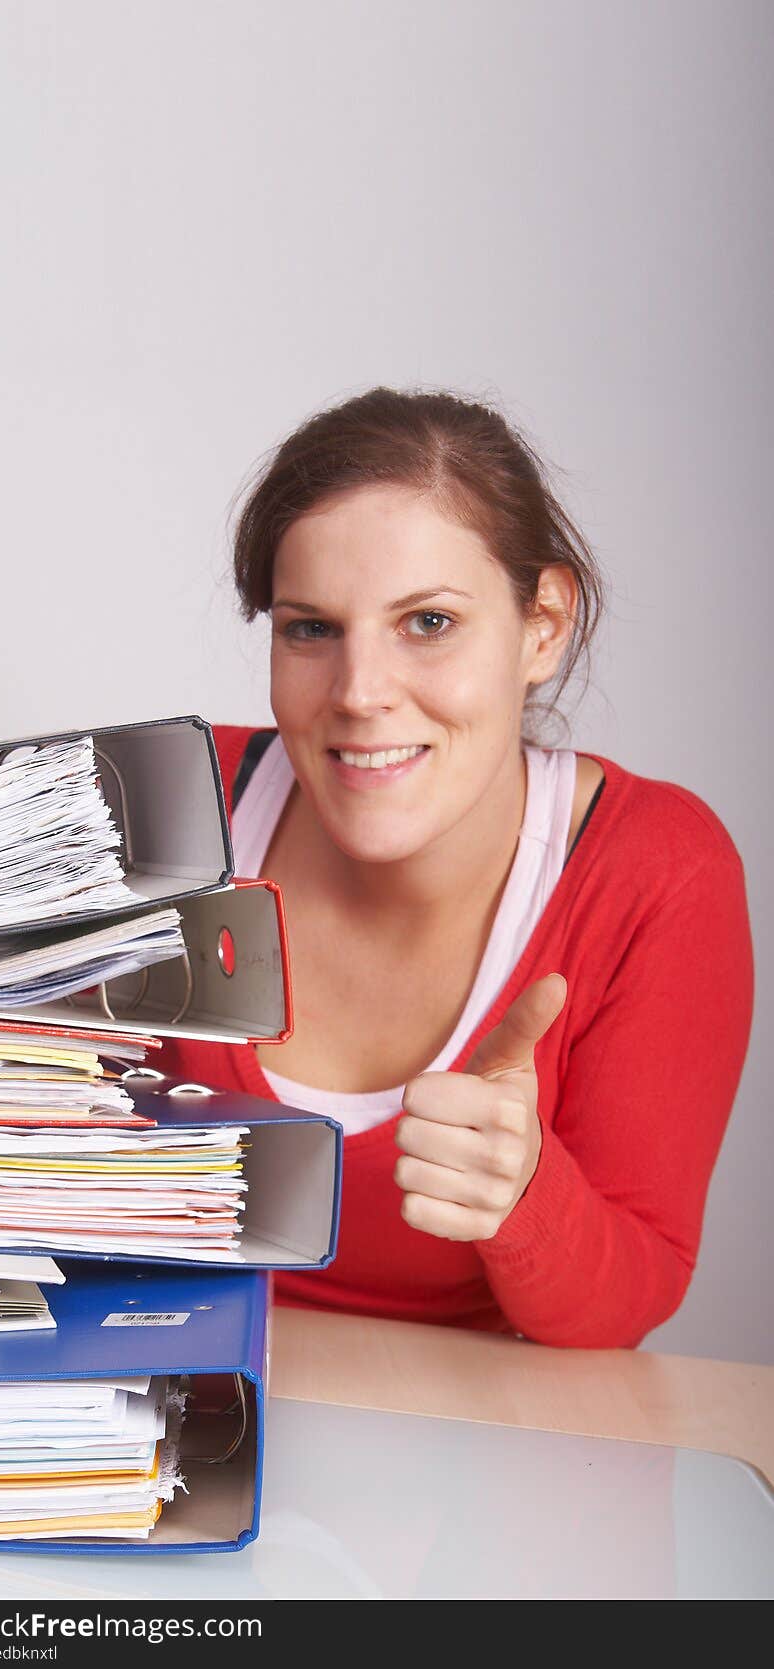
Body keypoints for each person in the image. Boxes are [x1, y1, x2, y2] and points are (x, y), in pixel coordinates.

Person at [161, 388, 754, 1348]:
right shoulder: (166, 817)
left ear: (544, 626)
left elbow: (632, 1297)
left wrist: (523, 1195)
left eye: (428, 623)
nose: (359, 694)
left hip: (476, 1458)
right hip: (171, 1436)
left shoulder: (656, 871)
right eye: (310, 628)